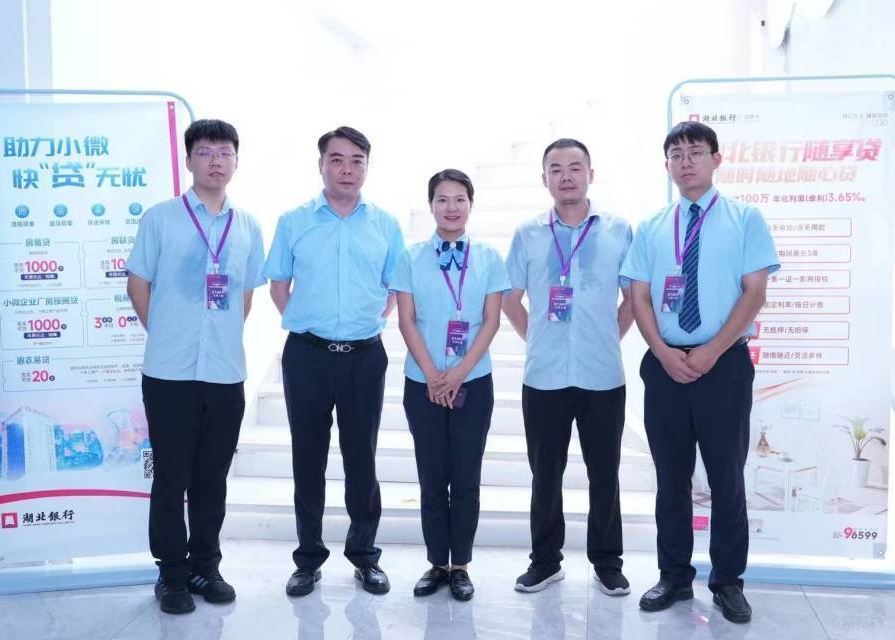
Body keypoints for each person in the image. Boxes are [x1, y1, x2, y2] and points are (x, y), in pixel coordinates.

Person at [620, 121, 779, 624]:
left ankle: (728, 581)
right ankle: (673, 576)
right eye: (676, 154)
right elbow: (639, 297)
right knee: (670, 478)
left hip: (724, 364)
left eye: (695, 152)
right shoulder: (652, 227)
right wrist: (663, 352)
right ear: (666, 164)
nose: (685, 162)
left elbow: (755, 292)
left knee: (726, 477)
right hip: (665, 365)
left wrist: (712, 349)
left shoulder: (745, 219)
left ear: (716, 159)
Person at [126, 119, 267, 614]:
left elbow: (244, 294)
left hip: (225, 372)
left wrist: (219, 336)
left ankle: (206, 565)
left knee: (212, 476)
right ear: (188, 161)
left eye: (225, 152)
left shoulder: (247, 226)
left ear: (236, 161)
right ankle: (171, 574)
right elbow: (138, 284)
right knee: (171, 476)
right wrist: (167, 332)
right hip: (169, 373)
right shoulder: (161, 218)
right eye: (205, 152)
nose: (215, 161)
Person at [264, 126, 405, 597]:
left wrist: (368, 322)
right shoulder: (294, 221)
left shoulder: (385, 224)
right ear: (321, 165)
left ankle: (365, 556)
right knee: (308, 458)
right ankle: (308, 559)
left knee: (362, 458)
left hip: (365, 357)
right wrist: (309, 325)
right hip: (307, 355)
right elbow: (279, 286)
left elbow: (394, 287)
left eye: (356, 161)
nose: (347, 169)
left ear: (367, 166)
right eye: (337, 160)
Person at [503, 138, 635, 595]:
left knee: (605, 473)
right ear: (544, 179)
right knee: (545, 475)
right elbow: (510, 299)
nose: (566, 176)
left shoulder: (618, 230)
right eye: (555, 169)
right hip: (545, 376)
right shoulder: (528, 234)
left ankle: (607, 562)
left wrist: (607, 338)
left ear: (590, 174)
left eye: (575, 167)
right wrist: (537, 338)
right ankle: (545, 561)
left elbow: (634, 299)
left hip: (602, 376)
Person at [390, 169, 510, 601]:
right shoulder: (410, 258)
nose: (451, 207)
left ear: (471, 205)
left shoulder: (489, 258)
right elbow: (406, 320)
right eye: (442, 199)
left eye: (459, 199)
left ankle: (460, 566)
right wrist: (432, 374)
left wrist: (458, 373)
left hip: (472, 382)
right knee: (431, 476)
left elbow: (492, 321)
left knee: (465, 477)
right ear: (431, 206)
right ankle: (436, 563)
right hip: (421, 383)